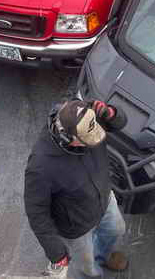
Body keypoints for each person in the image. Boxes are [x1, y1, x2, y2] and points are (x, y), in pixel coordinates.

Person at [25, 99, 130, 279]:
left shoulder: (87, 117)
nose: (94, 142)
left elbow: (121, 122)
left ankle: (103, 256)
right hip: (76, 226)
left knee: (116, 229)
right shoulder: (40, 166)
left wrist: (112, 114)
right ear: (66, 137)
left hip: (103, 198)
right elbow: (36, 211)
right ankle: (93, 273)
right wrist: (56, 252)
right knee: (87, 265)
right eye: (85, 141)